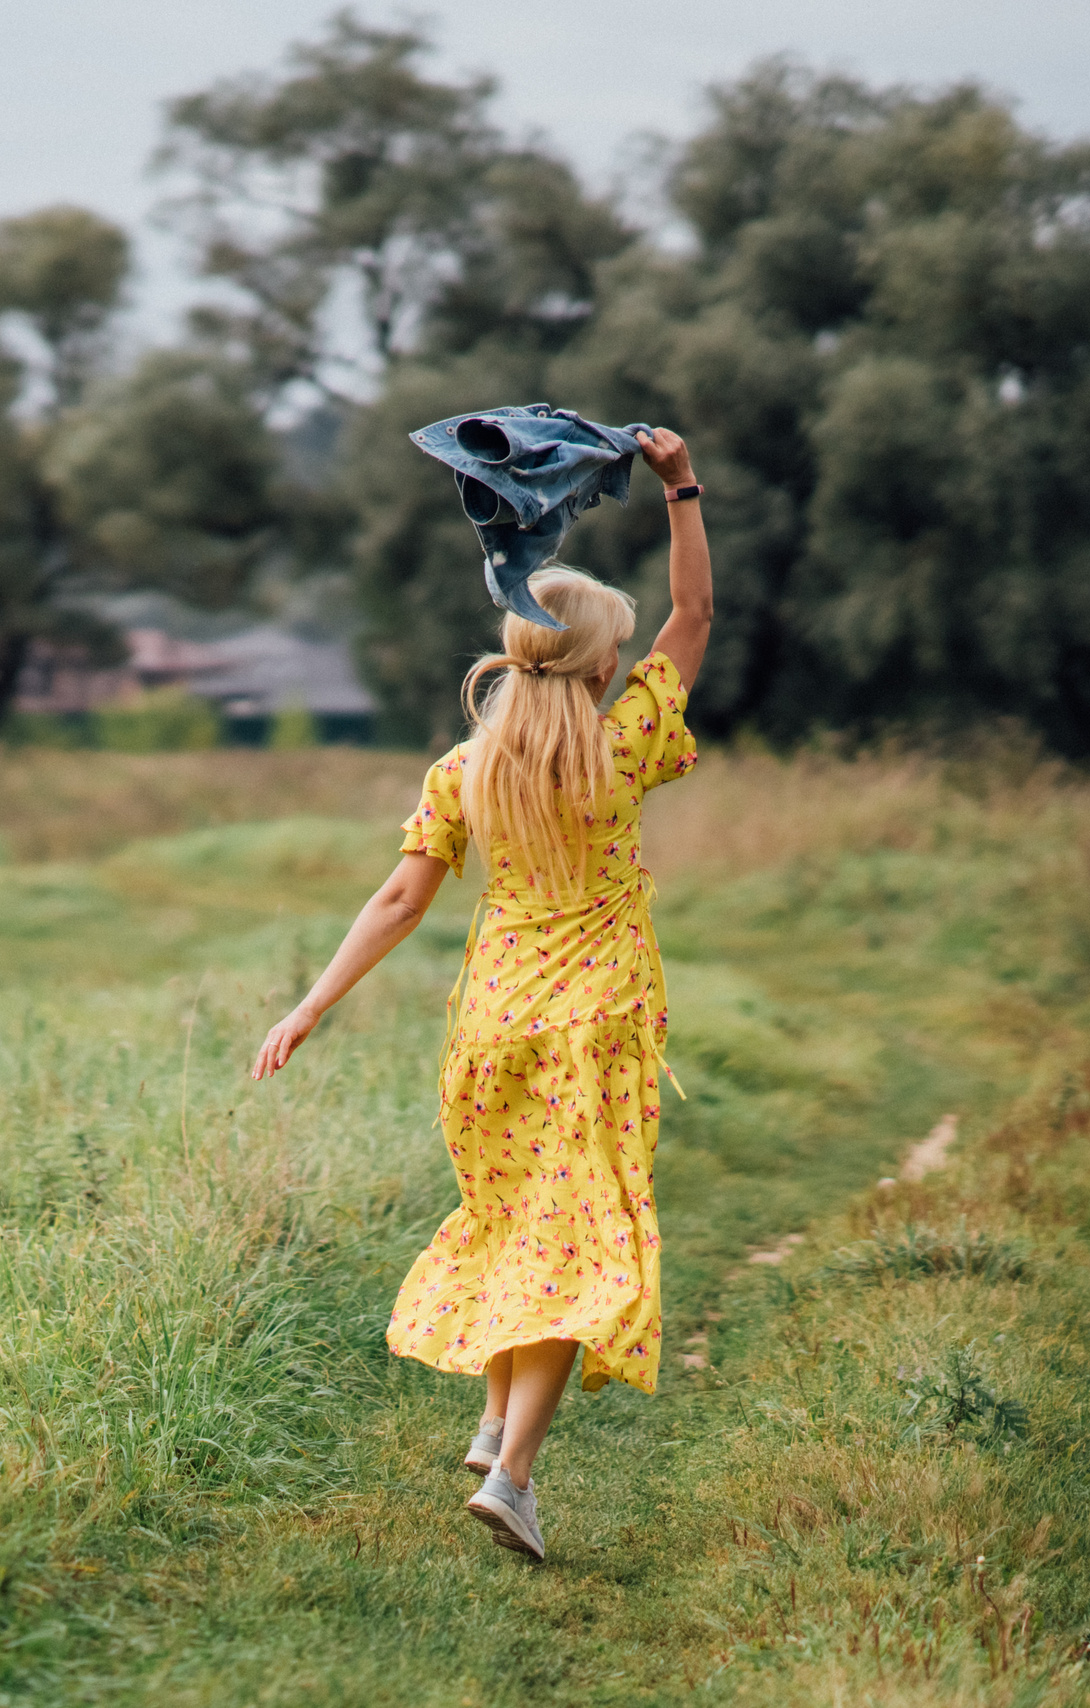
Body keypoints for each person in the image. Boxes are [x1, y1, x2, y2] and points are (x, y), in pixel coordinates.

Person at [249, 425, 711, 1563]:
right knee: (580, 1238)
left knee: (518, 1216)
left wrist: (308, 1006)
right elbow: (694, 618)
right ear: (601, 669)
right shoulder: (625, 745)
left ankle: (498, 1417)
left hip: (494, 1024)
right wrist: (681, 489)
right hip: (598, 1022)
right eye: (619, 652)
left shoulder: (465, 772)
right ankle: (513, 1476)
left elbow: (398, 902)